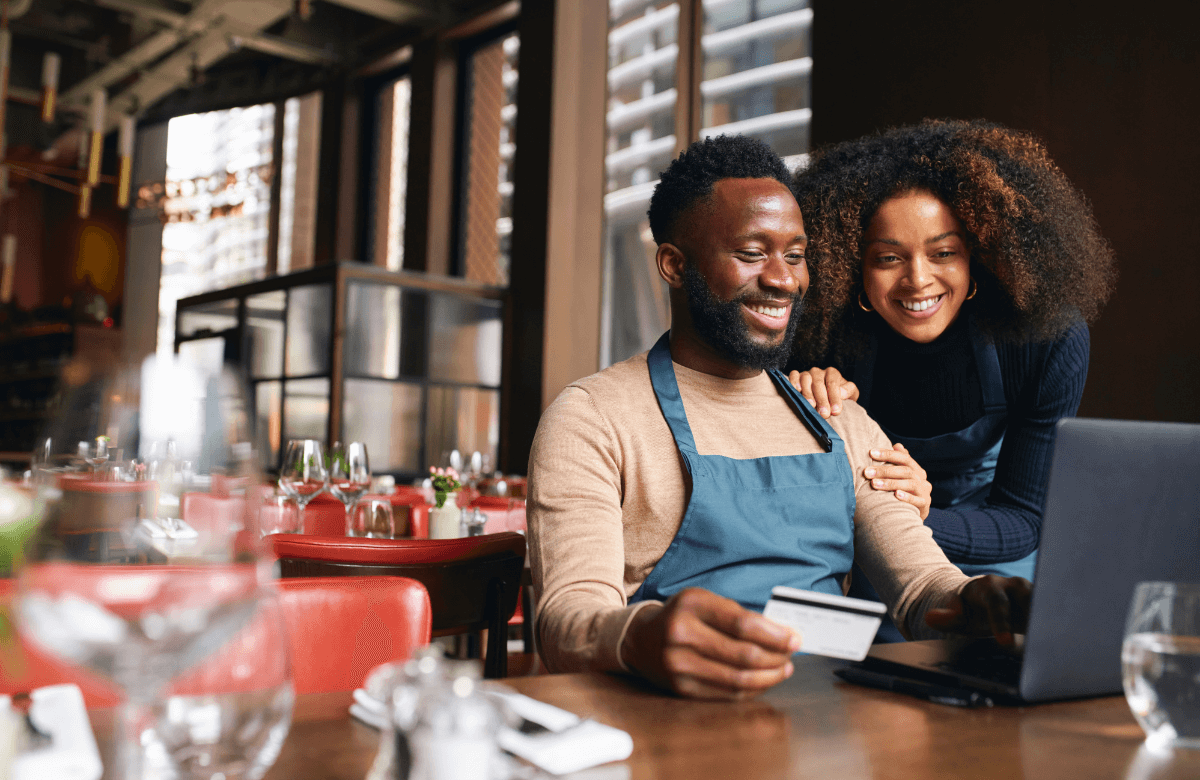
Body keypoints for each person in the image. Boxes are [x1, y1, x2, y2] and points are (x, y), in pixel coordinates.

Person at [527, 135, 1031, 700]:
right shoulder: (595, 418)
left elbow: (921, 588)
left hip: (831, 733)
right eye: (751, 254)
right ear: (673, 265)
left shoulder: (836, 417)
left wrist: (976, 602)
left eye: (794, 256)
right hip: (666, 729)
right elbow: (565, 620)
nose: (783, 279)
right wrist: (641, 634)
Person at [785, 120, 1115, 640]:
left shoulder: (1043, 339)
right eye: (889, 258)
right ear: (852, 269)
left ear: (977, 257)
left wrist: (920, 514)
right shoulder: (820, 337)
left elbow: (1023, 520)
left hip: (989, 537)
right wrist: (801, 397)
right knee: (849, 667)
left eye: (943, 253)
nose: (918, 279)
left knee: (1004, 648)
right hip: (861, 536)